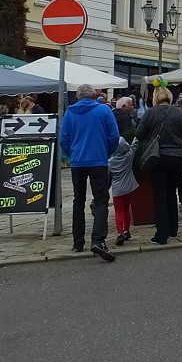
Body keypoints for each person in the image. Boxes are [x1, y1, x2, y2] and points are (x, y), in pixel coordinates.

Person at [59, 83, 119, 262]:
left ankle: (78, 242)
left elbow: (64, 139)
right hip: (98, 160)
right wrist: (106, 152)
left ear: (77, 97)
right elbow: (114, 136)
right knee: (101, 201)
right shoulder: (104, 111)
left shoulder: (70, 113)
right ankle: (98, 240)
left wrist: (73, 154)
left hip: (78, 162)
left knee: (78, 200)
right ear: (94, 96)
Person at [135, 86, 182, 245]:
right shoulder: (178, 113)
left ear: (155, 98)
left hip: (157, 157)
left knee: (160, 195)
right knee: (171, 193)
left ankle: (162, 234)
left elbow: (139, 134)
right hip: (177, 158)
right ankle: (173, 229)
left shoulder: (150, 113)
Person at [109, 135, 139, 246]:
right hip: (129, 187)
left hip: (117, 189)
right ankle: (126, 231)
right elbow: (134, 146)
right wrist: (136, 136)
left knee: (118, 211)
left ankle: (119, 233)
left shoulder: (110, 162)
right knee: (127, 209)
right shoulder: (128, 157)